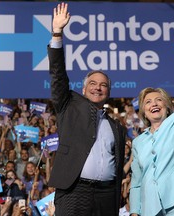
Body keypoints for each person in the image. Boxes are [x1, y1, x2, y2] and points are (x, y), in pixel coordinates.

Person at [47, 2, 126, 216]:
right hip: (74, 191)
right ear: (83, 88)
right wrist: (57, 33)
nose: (98, 87)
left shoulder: (117, 127)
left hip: (107, 195)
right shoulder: (68, 105)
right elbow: (57, 74)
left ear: (109, 91)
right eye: (93, 83)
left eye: (103, 85)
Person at [129, 34, 174, 216]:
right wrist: (135, 212)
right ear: (144, 111)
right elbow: (137, 181)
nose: (153, 104)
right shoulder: (138, 143)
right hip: (150, 208)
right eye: (148, 102)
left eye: (158, 100)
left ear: (166, 106)